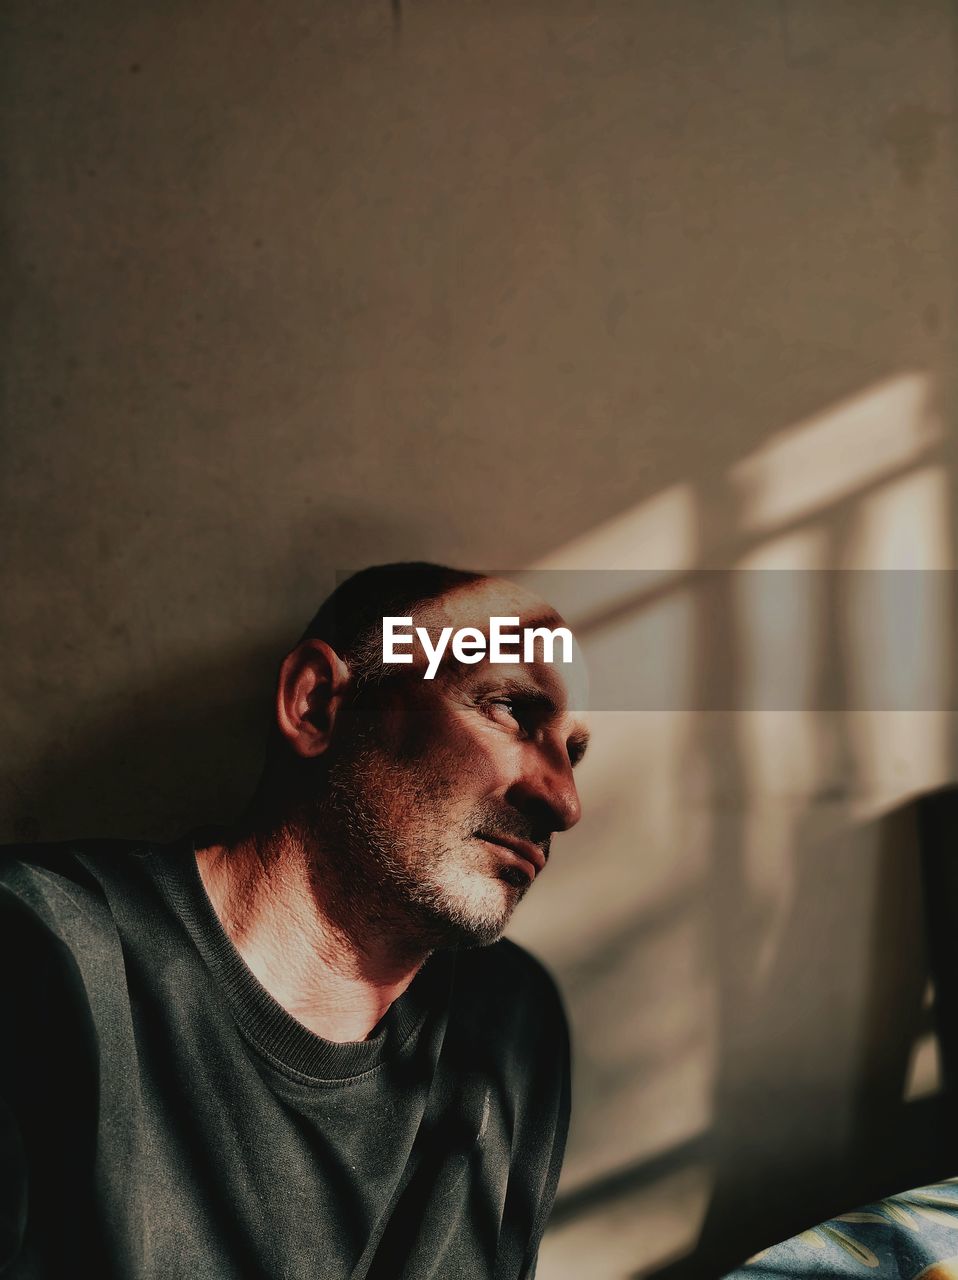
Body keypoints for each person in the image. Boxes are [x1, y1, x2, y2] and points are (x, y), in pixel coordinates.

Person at [0, 562, 591, 1279]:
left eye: (575, 753)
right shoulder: (37, 952)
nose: (563, 801)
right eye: (508, 709)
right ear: (316, 706)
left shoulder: (511, 1027)